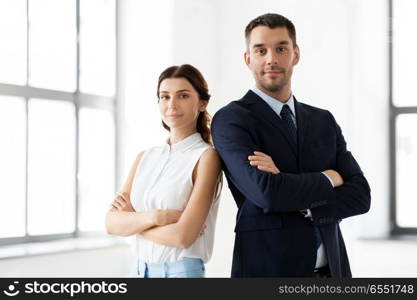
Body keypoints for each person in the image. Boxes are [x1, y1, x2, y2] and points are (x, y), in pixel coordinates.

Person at [211, 13, 371, 277]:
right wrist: (327, 178)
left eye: (281, 48)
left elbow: (361, 195)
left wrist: (293, 191)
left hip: (333, 271)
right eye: (261, 50)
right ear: (248, 59)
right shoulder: (232, 119)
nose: (271, 58)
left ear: (295, 54)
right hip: (268, 271)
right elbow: (267, 193)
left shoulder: (323, 120)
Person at [106, 64, 222, 278]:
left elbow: (182, 237)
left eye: (183, 96)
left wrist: (133, 222)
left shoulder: (206, 157)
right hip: (139, 271)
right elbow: (111, 224)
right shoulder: (145, 157)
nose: (172, 104)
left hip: (180, 273)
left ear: (203, 103)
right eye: (165, 96)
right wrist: (158, 217)